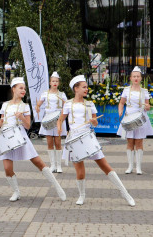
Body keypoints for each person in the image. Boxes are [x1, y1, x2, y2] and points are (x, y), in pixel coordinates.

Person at [57, 75, 135, 206]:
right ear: (76, 89)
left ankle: (125, 194)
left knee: (105, 166)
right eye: (84, 87)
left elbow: (95, 123)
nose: (86, 89)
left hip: (87, 137)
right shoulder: (68, 104)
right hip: (74, 139)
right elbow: (60, 119)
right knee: (80, 171)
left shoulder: (90, 104)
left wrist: (94, 121)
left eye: (87, 87)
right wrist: (60, 129)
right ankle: (82, 196)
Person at [0, 77, 66, 202]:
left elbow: (28, 126)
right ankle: (16, 192)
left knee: (38, 162)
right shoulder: (5, 105)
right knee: (7, 168)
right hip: (6, 138)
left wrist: (22, 117)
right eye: (21, 88)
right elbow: (2, 121)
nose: (23, 90)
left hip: (20, 136)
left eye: (24, 88)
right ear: (13, 89)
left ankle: (57, 187)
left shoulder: (25, 106)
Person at [117, 66, 153, 175]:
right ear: (131, 78)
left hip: (140, 119)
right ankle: (130, 166)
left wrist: (147, 107)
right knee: (130, 142)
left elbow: (148, 106)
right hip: (129, 118)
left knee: (139, 142)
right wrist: (120, 111)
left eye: (138, 76)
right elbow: (121, 103)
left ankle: (138, 167)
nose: (136, 78)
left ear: (141, 78)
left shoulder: (144, 91)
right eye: (134, 76)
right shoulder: (126, 90)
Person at [36, 71, 67, 173]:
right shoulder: (45, 94)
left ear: (59, 83)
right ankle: (52, 165)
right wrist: (37, 107)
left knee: (58, 142)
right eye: (53, 81)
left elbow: (66, 107)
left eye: (56, 81)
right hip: (48, 120)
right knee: (49, 143)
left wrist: (65, 106)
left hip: (58, 120)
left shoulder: (62, 94)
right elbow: (39, 104)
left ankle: (59, 166)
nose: (55, 83)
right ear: (50, 82)